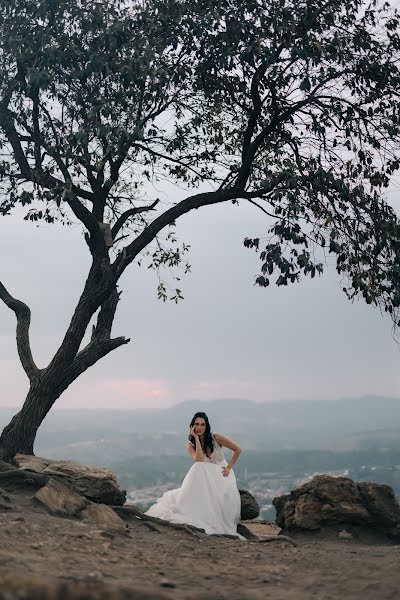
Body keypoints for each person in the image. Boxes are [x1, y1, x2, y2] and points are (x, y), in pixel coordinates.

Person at [144, 411, 243, 538]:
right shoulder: (190, 445)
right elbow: (200, 460)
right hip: (205, 478)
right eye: (197, 424)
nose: (200, 427)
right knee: (198, 466)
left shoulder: (216, 437)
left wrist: (229, 467)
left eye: (203, 424)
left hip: (221, 475)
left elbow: (238, 449)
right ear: (192, 426)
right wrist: (196, 439)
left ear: (206, 426)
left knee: (199, 467)